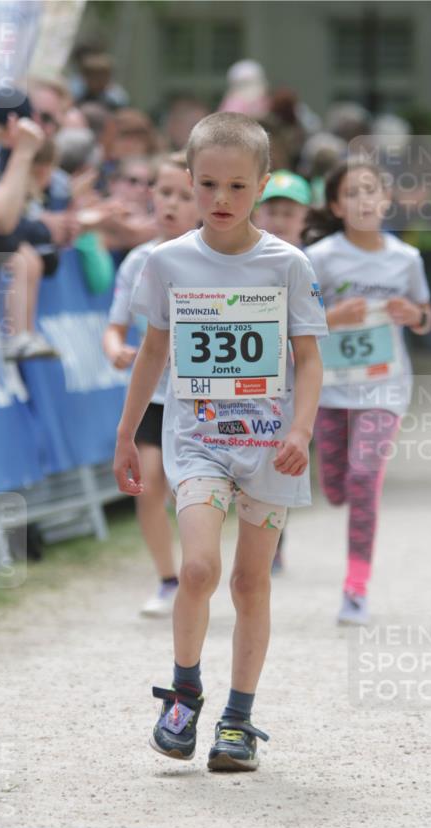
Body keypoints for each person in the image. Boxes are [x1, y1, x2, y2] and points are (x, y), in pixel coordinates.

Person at [113, 112, 326, 771]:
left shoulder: (287, 264)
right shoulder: (167, 261)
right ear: (188, 179)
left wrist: (301, 429)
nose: (222, 199)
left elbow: (309, 360)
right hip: (198, 439)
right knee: (199, 569)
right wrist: (126, 433)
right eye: (208, 184)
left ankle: (238, 720)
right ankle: (184, 696)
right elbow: (153, 350)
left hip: (269, 444)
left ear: (262, 184)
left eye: (238, 186)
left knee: (250, 582)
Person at [306, 159, 431, 626]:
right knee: (336, 488)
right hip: (331, 389)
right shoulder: (318, 257)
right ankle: (342, 490)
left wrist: (414, 316)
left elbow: (426, 316)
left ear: (386, 199)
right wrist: (333, 318)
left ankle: (355, 589)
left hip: (385, 387)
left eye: (371, 190)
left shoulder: (406, 258)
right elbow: (295, 321)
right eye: (352, 193)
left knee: (363, 477)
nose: (363, 200)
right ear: (337, 206)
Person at [103, 152, 199, 616]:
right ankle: (167, 579)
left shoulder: (217, 258)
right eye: (164, 192)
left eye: (184, 195)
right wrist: (114, 349)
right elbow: (115, 327)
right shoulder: (138, 261)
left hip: (204, 399)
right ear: (151, 195)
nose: (172, 203)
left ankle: (200, 573)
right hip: (154, 396)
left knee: (195, 493)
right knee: (149, 483)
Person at [254, 169, 312, 572]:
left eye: (288, 213)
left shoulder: (311, 263)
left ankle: (275, 540)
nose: (279, 220)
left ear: (304, 217)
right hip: (252, 380)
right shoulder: (246, 258)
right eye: (272, 210)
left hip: (297, 381)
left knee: (282, 455)